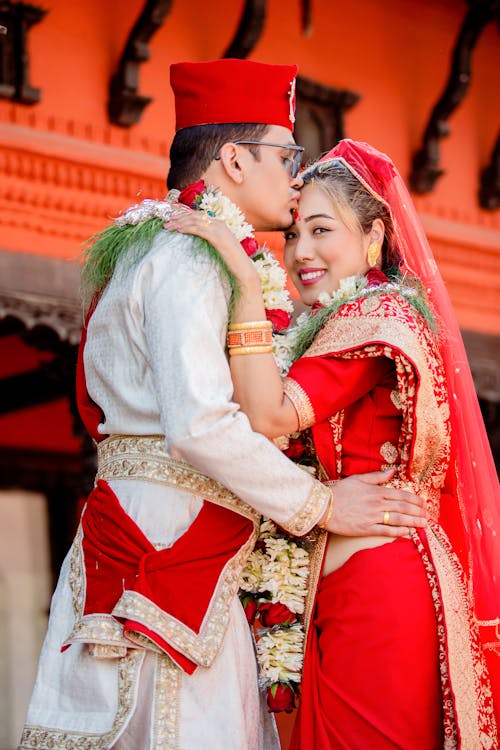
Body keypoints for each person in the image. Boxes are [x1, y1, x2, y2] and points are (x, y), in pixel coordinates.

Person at [18, 65, 427, 750]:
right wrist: (324, 506)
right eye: (286, 156)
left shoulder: (158, 244)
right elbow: (201, 424)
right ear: (235, 159)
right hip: (170, 543)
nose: (295, 179)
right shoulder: (194, 254)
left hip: (152, 529)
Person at [168, 138, 500, 748]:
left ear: (374, 236)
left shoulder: (374, 318)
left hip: (377, 588)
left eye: (322, 230)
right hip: (351, 580)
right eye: (292, 235)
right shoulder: (338, 324)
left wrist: (241, 273)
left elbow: (267, 414)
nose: (301, 252)